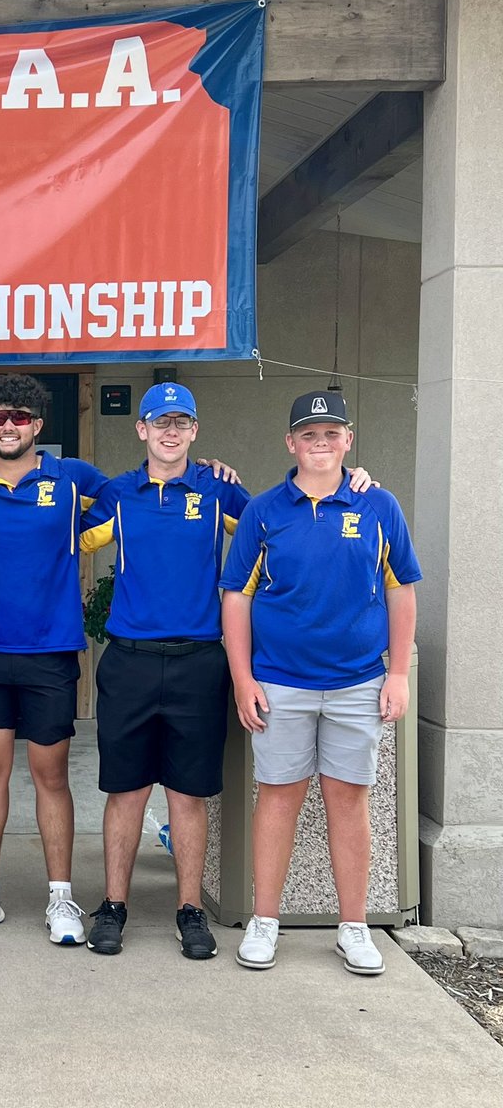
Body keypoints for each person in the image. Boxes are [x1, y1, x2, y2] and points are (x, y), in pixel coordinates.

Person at [220, 391, 420, 976]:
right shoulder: (262, 511)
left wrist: (399, 672)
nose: (321, 443)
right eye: (310, 434)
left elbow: (401, 589)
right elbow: (238, 596)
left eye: (331, 433)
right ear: (291, 443)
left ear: (348, 439)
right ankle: (264, 920)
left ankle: (353, 928)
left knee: (348, 800)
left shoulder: (379, 504)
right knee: (278, 798)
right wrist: (242, 678)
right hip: (280, 682)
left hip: (359, 682)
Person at [78, 383, 251, 960]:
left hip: (199, 661)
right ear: (142, 430)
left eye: (182, 423)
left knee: (188, 793)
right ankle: (113, 906)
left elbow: (283, 524)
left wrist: (357, 482)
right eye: (160, 422)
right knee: (125, 790)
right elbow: (58, 534)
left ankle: (189, 910)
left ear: (195, 431)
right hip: (128, 660)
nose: (171, 432)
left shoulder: (219, 489)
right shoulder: (117, 495)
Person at [0, 374, 109, 945]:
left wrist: (209, 471)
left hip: (49, 652)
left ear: (38, 425)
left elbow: (143, 491)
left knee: (50, 777)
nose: (8, 426)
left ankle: (62, 898)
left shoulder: (73, 479)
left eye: (20, 417)